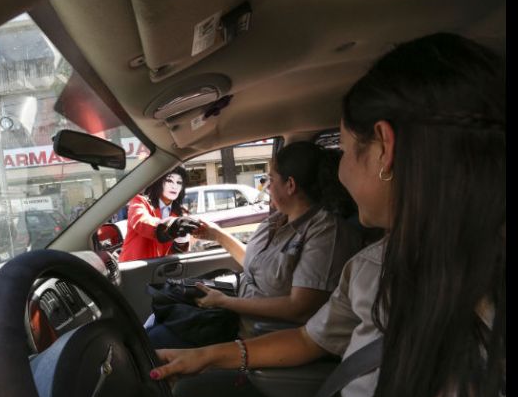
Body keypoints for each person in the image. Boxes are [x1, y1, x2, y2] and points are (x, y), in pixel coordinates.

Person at [150, 33, 505, 397]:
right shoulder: (374, 265)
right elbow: (309, 337)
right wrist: (208, 355)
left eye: (341, 148)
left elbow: (301, 314)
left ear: (385, 149)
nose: (338, 170)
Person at [146, 141, 363, 348]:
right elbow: (257, 267)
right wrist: (217, 235)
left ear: (290, 185)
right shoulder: (276, 221)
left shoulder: (325, 233)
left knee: (156, 340)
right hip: (236, 316)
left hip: (260, 335)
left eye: (271, 179)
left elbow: (299, 308)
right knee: (158, 317)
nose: (267, 186)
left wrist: (224, 302)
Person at [118, 166, 201, 262]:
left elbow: (177, 254)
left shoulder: (180, 214)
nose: (174, 186)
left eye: (179, 182)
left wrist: (182, 243)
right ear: (159, 182)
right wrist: (171, 225)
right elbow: (141, 222)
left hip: (159, 270)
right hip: (133, 267)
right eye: (169, 181)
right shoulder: (140, 201)